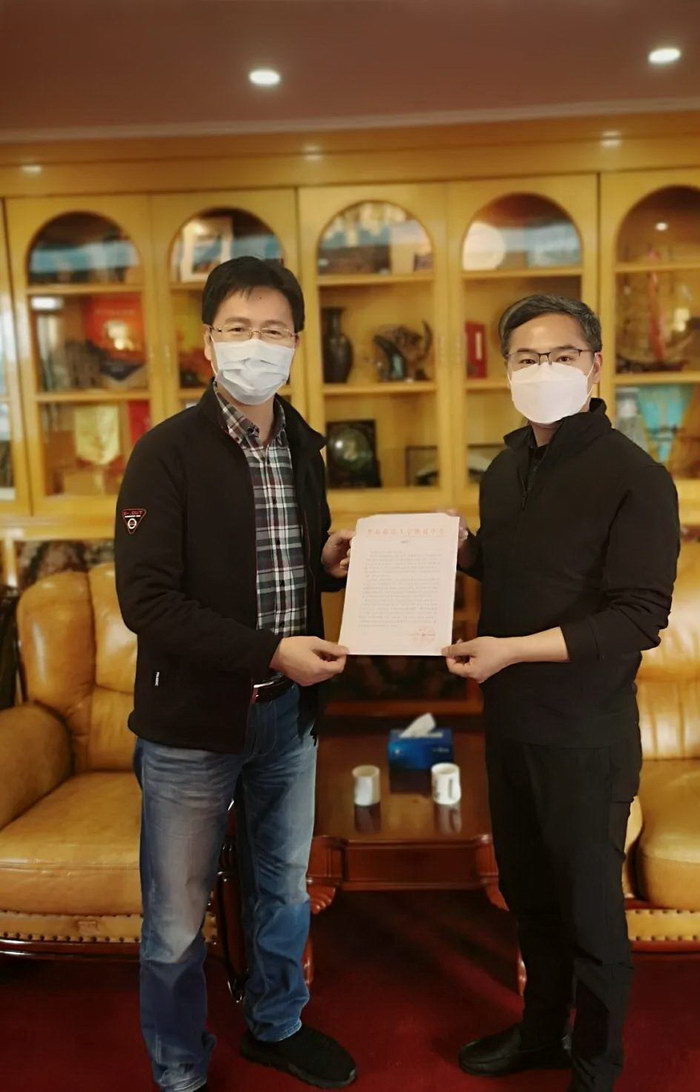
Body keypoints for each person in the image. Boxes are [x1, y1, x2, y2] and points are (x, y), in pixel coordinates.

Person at [115, 256, 356, 1092]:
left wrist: (329, 563)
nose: (256, 345)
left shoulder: (302, 445)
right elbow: (148, 602)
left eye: (273, 330)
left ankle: (276, 1023)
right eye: (238, 328)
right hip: (192, 723)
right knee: (176, 916)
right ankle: (180, 1066)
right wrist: (269, 651)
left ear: (297, 342)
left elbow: (282, 565)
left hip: (288, 714)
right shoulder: (165, 453)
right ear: (208, 341)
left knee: (283, 889)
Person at [443, 294, 679, 1092]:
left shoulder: (636, 478)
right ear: (505, 371)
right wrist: (457, 551)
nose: (544, 370)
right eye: (527, 358)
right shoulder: (505, 469)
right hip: (509, 722)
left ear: (596, 365)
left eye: (563, 354)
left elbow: (639, 616)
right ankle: (540, 1032)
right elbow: (515, 568)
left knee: (589, 915)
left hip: (586, 732)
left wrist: (512, 650)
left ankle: (595, 1066)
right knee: (528, 897)